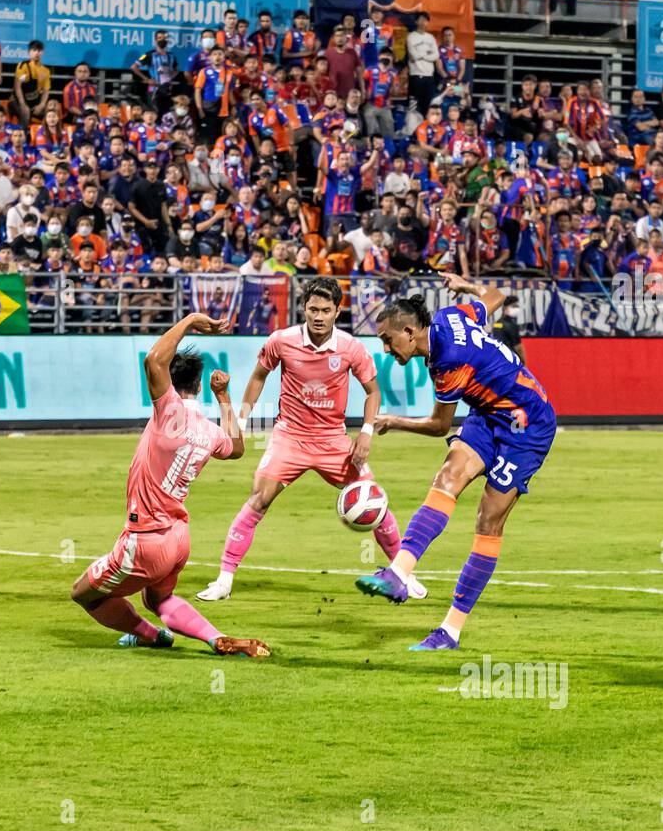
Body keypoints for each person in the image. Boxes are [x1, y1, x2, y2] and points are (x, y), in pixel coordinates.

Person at [357, 272, 556, 652]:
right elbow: (494, 295)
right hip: (488, 413)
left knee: (488, 521)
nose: (386, 349)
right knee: (447, 477)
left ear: (410, 332)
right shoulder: (451, 316)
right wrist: (466, 285)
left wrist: (393, 421)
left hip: (527, 423)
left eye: (387, 339)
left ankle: (450, 631)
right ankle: (398, 573)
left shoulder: (447, 361)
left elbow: (439, 426)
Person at [195, 276, 423, 603]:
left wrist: (366, 433)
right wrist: (241, 420)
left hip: (334, 440)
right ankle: (224, 580)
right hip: (290, 437)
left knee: (373, 501)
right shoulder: (281, 341)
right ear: (303, 308)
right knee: (259, 498)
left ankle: (403, 575)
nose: (318, 316)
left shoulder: (350, 348)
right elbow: (259, 377)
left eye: (325, 310)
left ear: (337, 312)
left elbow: (373, 392)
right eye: (313, 309)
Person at [69, 311, 269, 657]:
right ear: (199, 385)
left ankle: (148, 635)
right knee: (157, 598)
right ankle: (214, 637)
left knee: (84, 594)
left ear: (169, 386)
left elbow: (154, 360)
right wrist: (223, 396)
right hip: (178, 539)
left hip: (146, 539)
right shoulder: (208, 431)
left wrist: (190, 321)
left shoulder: (169, 411)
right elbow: (237, 448)